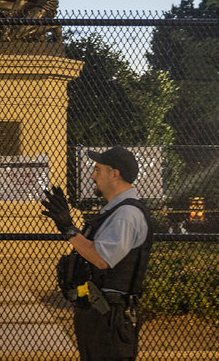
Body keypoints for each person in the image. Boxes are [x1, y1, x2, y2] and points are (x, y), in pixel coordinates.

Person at [40, 146, 152, 361]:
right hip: (100, 313)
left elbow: (101, 259)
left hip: (111, 317)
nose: (92, 175)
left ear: (115, 174)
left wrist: (68, 229)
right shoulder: (114, 211)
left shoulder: (127, 215)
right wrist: (70, 227)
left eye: (98, 169)